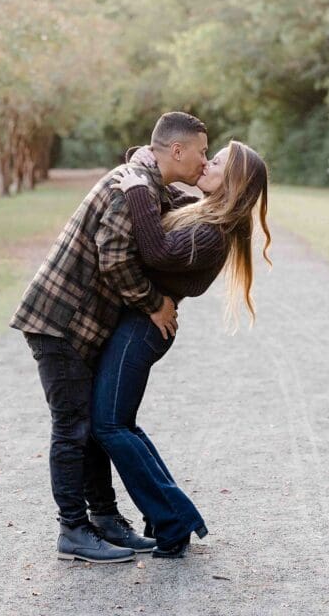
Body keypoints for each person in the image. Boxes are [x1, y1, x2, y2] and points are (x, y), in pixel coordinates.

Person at [10, 111, 209, 563]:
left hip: (82, 323)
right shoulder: (130, 186)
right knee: (73, 429)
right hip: (59, 319)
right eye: (201, 150)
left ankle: (104, 519)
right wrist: (154, 302)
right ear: (176, 150)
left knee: (94, 426)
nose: (204, 159)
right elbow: (114, 258)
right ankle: (73, 531)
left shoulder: (148, 183)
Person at [91, 140, 272, 558]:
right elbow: (161, 193)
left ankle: (173, 521)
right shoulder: (203, 211)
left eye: (218, 161)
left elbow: (156, 249)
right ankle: (167, 517)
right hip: (141, 323)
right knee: (121, 424)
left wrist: (136, 190)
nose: (207, 163)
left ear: (235, 180)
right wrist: (146, 161)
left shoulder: (214, 232)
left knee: (111, 425)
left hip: (145, 329)